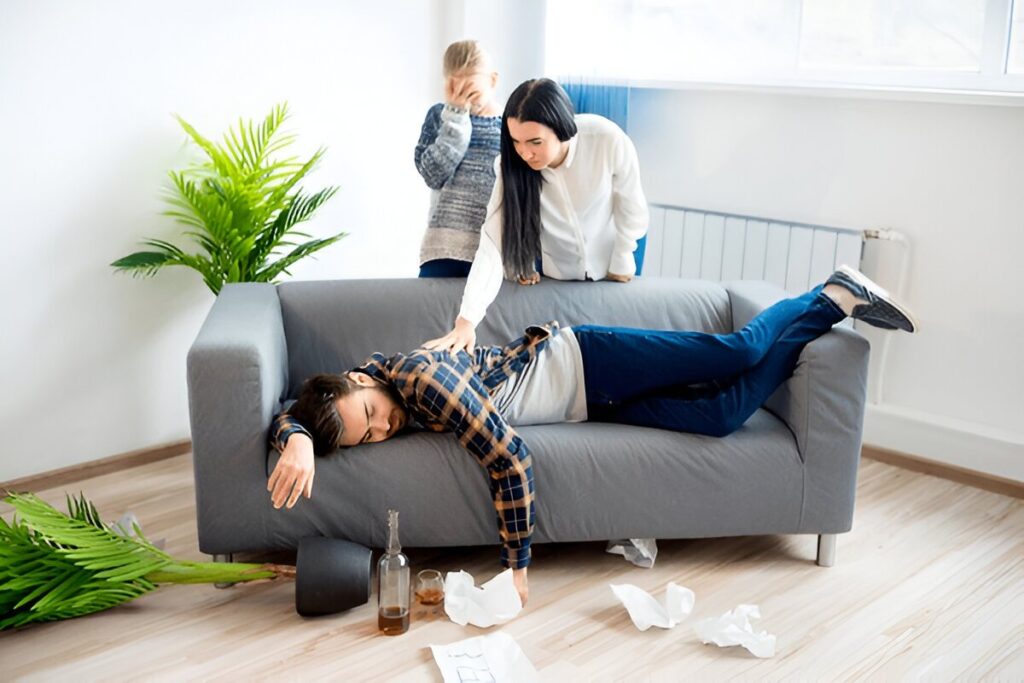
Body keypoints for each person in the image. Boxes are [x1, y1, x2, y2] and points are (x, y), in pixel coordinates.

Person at [266, 266, 917, 606]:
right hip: (590, 406)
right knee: (725, 413)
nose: (385, 427)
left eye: (373, 413)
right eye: (369, 436)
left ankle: (827, 289)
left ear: (359, 379)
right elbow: (289, 405)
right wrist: (297, 434)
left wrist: (517, 564)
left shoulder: (420, 381)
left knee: (737, 350)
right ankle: (832, 300)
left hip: (590, 360)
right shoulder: (366, 379)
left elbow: (510, 458)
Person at [424, 78, 650, 354]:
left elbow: (631, 206)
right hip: (559, 272)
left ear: (562, 129)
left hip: (616, 260)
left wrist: (623, 258)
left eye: (535, 142)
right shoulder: (510, 166)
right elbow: (492, 242)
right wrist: (466, 320)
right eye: (516, 141)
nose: (525, 152)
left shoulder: (606, 139)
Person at [415, 40, 503, 278]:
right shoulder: (438, 116)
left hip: (494, 250)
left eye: (472, 92)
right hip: (443, 248)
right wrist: (455, 117)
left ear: (492, 81)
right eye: (455, 90)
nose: (464, 99)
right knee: (432, 314)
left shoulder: (511, 126)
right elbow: (433, 175)